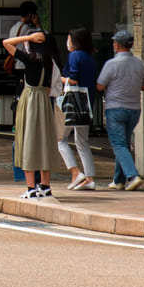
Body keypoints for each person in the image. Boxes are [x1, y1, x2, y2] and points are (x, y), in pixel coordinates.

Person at [3, 25, 62, 198]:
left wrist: (26, 38)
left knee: (27, 141)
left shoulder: (30, 59)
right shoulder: (50, 61)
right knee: (45, 142)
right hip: (44, 101)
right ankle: (45, 186)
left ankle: (31, 188)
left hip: (30, 101)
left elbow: (6, 43)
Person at [98, 29, 144, 191]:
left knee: (119, 144)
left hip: (115, 109)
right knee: (123, 143)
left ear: (117, 45)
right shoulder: (140, 64)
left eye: (114, 42)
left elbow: (100, 85)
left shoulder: (111, 64)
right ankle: (118, 180)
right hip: (134, 109)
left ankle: (132, 176)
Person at [57, 27, 97, 191]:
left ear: (75, 41)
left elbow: (73, 80)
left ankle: (75, 172)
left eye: (69, 39)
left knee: (60, 139)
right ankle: (90, 178)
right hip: (86, 104)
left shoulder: (74, 56)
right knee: (82, 142)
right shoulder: (90, 58)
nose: (67, 43)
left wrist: (59, 78)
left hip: (72, 103)